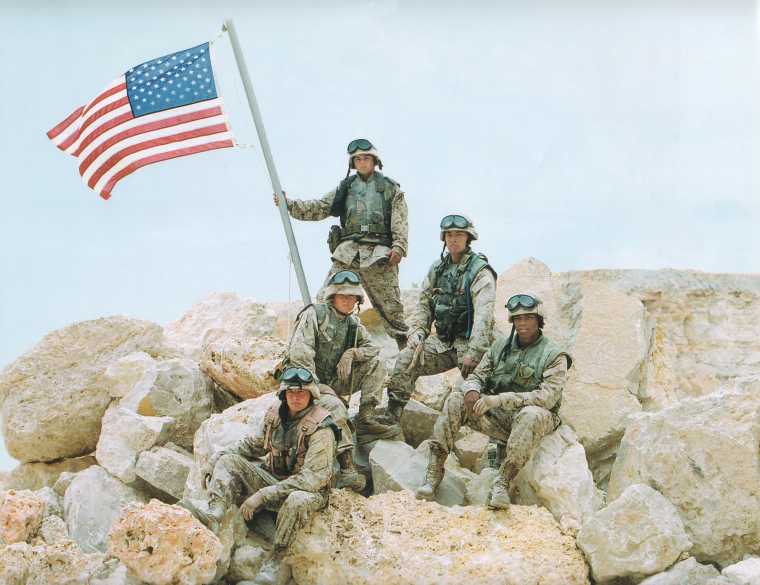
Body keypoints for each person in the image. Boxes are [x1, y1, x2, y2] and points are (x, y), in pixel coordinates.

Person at [178, 367, 338, 584]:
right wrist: (215, 458)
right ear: (284, 394)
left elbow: (312, 479)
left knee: (297, 499)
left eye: (302, 393)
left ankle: (277, 559)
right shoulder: (277, 416)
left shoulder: (322, 429)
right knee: (229, 461)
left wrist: (262, 495)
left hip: (309, 493)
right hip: (274, 479)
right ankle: (213, 514)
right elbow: (253, 446)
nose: (296, 397)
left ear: (311, 395)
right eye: (291, 393)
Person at [416, 294, 572, 509]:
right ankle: (434, 470)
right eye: (518, 319)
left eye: (528, 318)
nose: (523, 323)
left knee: (531, 414)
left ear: (539, 320)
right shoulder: (500, 347)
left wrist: (498, 400)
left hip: (535, 419)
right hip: (499, 417)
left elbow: (546, 398)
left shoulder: (554, 355)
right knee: (456, 399)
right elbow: (477, 375)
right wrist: (472, 390)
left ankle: (503, 482)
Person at [273, 138, 409, 348]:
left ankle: (408, 358)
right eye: (358, 159)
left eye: (366, 158)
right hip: (348, 255)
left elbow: (400, 221)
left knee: (394, 315)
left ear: (375, 160)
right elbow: (319, 207)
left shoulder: (390, 189)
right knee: (324, 302)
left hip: (379, 257)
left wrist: (399, 246)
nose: (362, 162)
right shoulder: (345, 188)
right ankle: (311, 349)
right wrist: (289, 205)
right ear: (353, 163)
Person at [381, 214, 496, 429]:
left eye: (459, 235)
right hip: (444, 342)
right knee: (406, 359)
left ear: (468, 238)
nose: (453, 239)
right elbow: (424, 303)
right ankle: (392, 416)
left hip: (472, 347)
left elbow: (484, 316)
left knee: (467, 392)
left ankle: (484, 435)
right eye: (449, 235)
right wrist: (418, 332)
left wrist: (475, 352)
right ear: (443, 238)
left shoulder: (480, 272)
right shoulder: (437, 269)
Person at [285, 269, 390, 490]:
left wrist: (352, 354)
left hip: (332, 381)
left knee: (377, 365)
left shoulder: (352, 324)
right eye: (343, 296)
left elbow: (372, 348)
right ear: (332, 296)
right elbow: (299, 356)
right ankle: (347, 468)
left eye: (352, 297)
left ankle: (366, 418)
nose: (348, 301)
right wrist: (320, 388)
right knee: (334, 407)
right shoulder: (315, 314)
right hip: (303, 384)